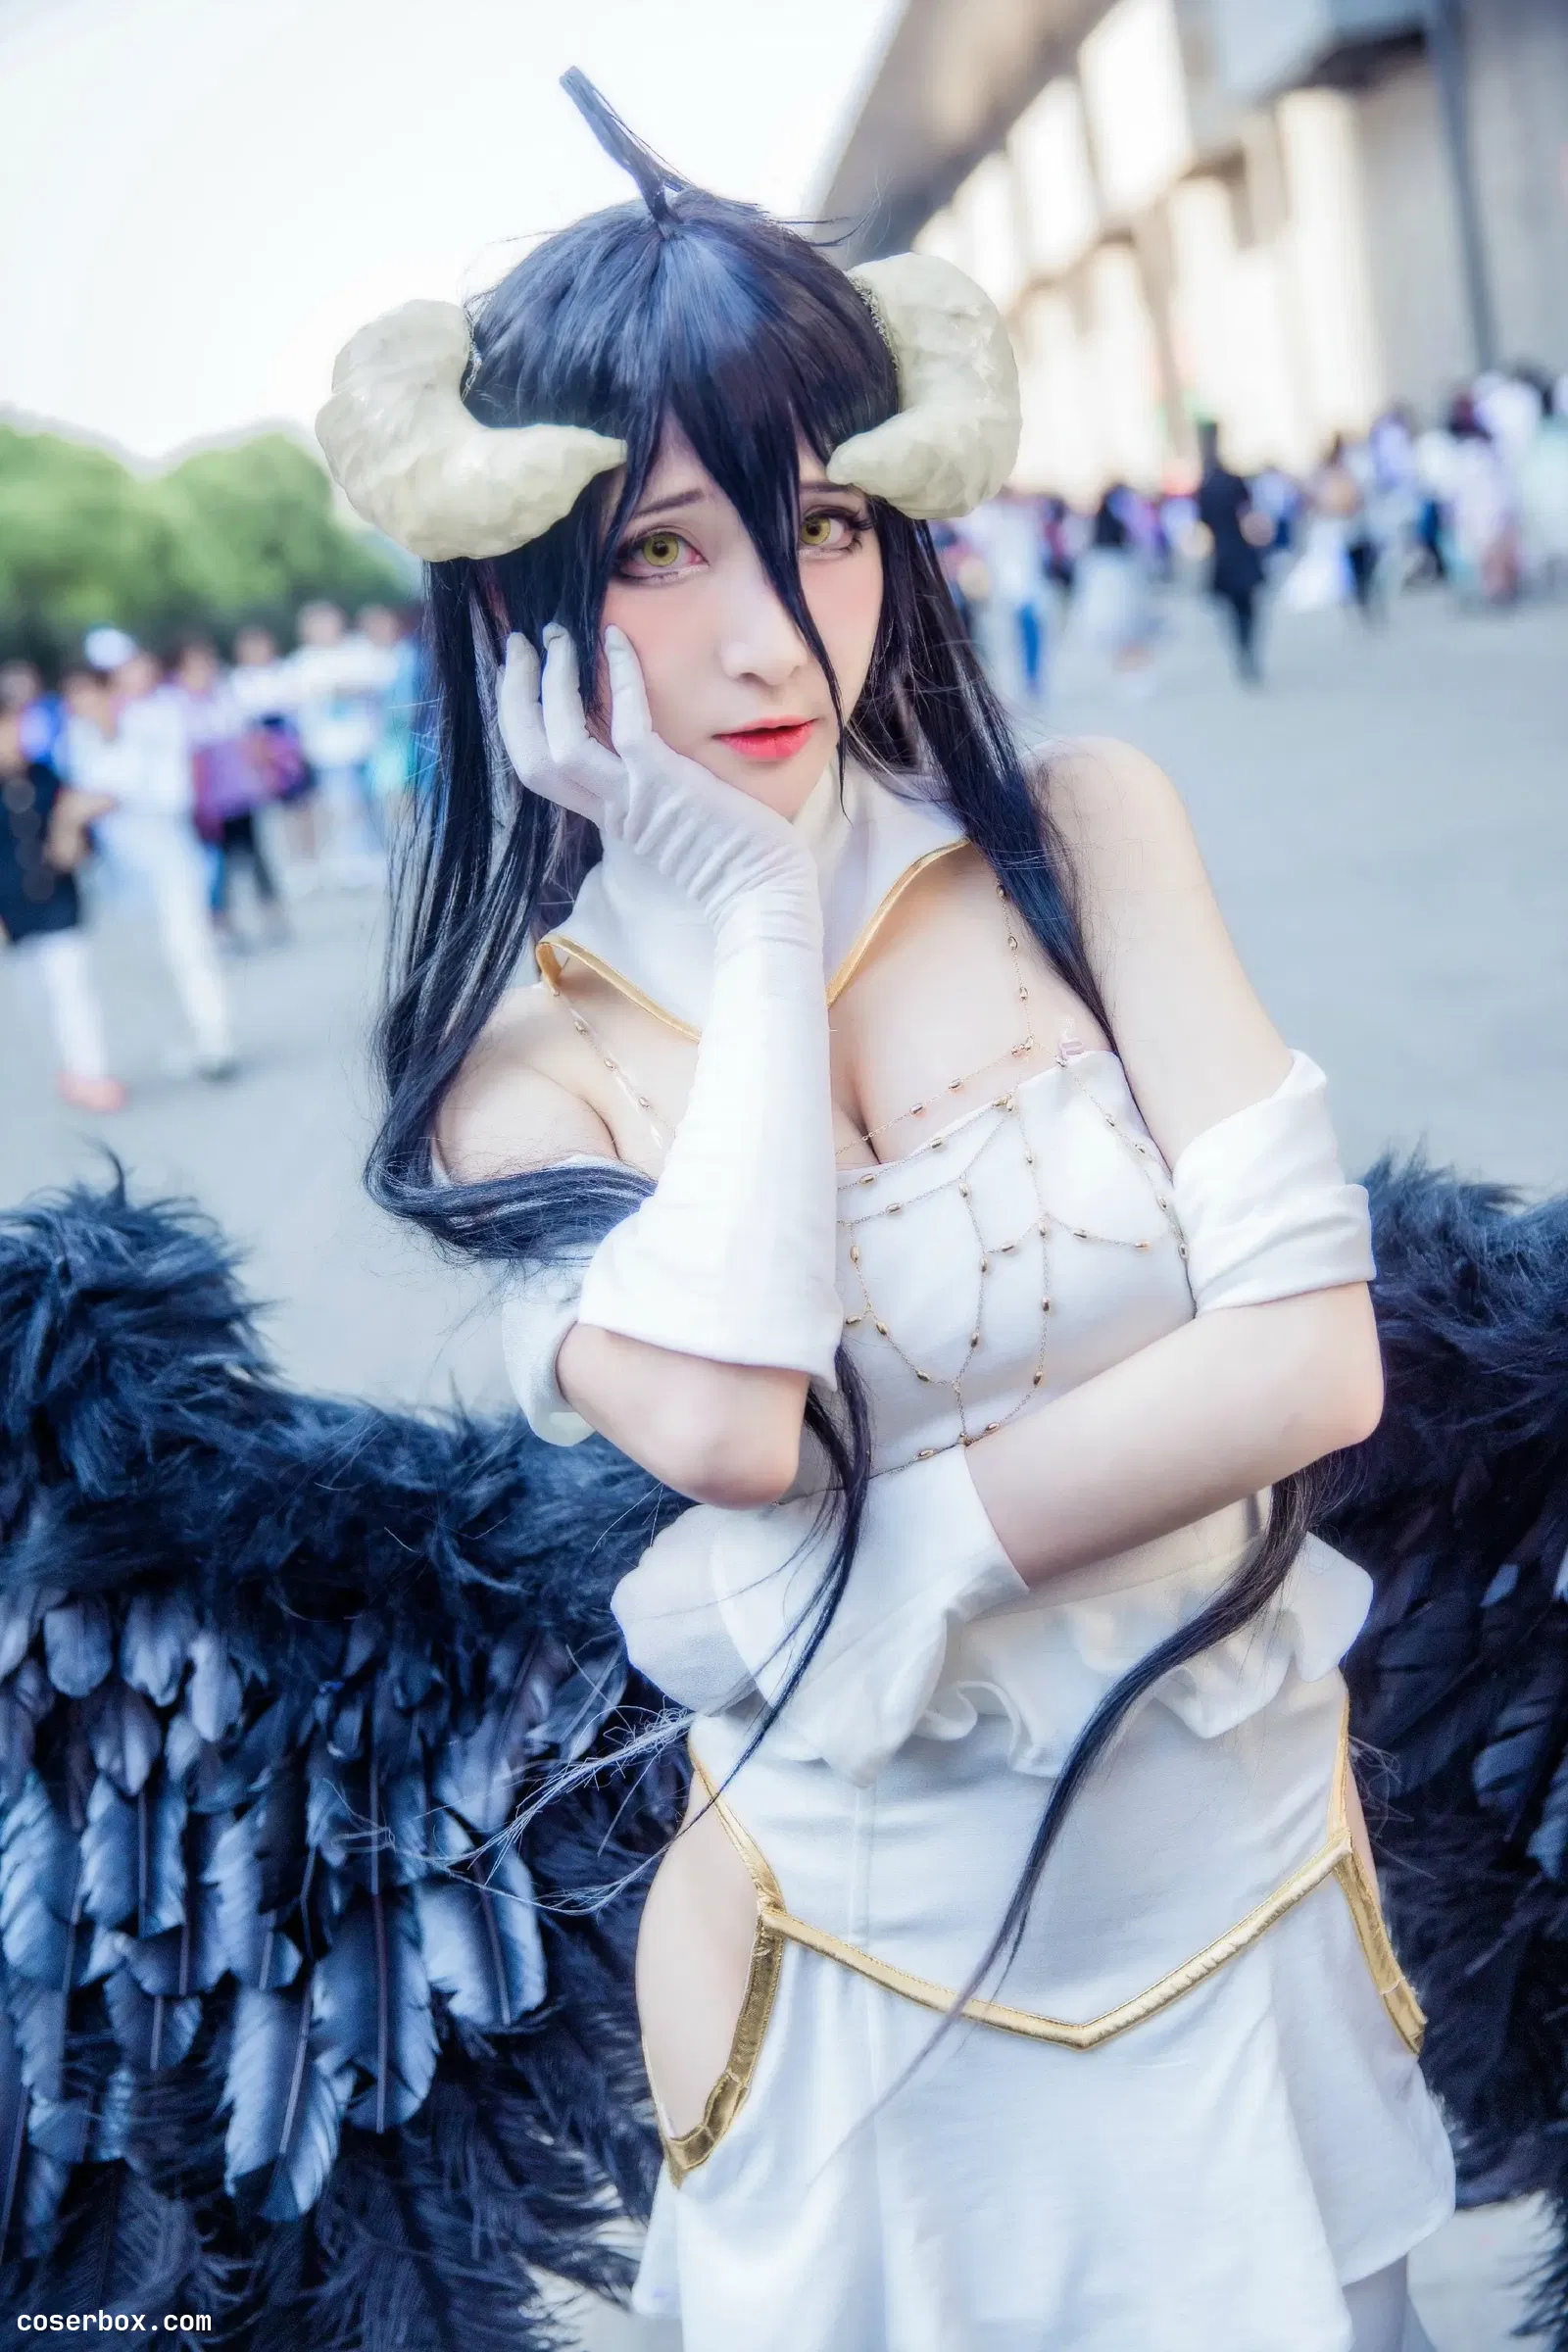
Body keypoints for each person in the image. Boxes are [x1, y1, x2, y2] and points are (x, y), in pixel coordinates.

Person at [318, 74, 1454, 2351]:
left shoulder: (1077, 834)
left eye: (819, 524)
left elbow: (1307, 1358)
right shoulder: (512, 1082)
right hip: (858, 1988)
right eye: (658, 551)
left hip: (1241, 1892)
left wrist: (891, 1570)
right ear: (520, 599)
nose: (766, 633)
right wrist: (751, 920)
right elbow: (736, 1430)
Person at [62, 652, 236, 1079]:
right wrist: (96, 802)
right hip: (123, 873)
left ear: (108, 691)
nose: (83, 705)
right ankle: (187, 1037)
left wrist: (103, 799)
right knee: (150, 961)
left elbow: (172, 794)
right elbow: (75, 799)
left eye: (88, 693)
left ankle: (216, 1041)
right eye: (73, 697)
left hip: (172, 860)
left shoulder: (150, 726)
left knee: (190, 950)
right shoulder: (76, 741)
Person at [0, 698, 123, 1111]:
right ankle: (71, 1068)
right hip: (14, 910)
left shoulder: (45, 776)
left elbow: (78, 842)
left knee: (72, 988)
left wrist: (71, 827)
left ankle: (93, 1071)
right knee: (36, 996)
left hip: (58, 900)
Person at [172, 639, 289, 949]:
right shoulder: (178, 707)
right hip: (209, 801)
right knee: (218, 867)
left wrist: (262, 776)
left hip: (239, 793)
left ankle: (271, 914)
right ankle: (222, 925)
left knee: (257, 856)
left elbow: (248, 740)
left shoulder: (225, 696)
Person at [1195, 420, 1269, 682]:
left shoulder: (1205, 486)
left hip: (1222, 555)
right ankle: (1247, 649)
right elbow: (1249, 516)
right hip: (1241, 552)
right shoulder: (1234, 481)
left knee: (1234, 611)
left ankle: (1242, 650)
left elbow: (1203, 524)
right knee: (1248, 608)